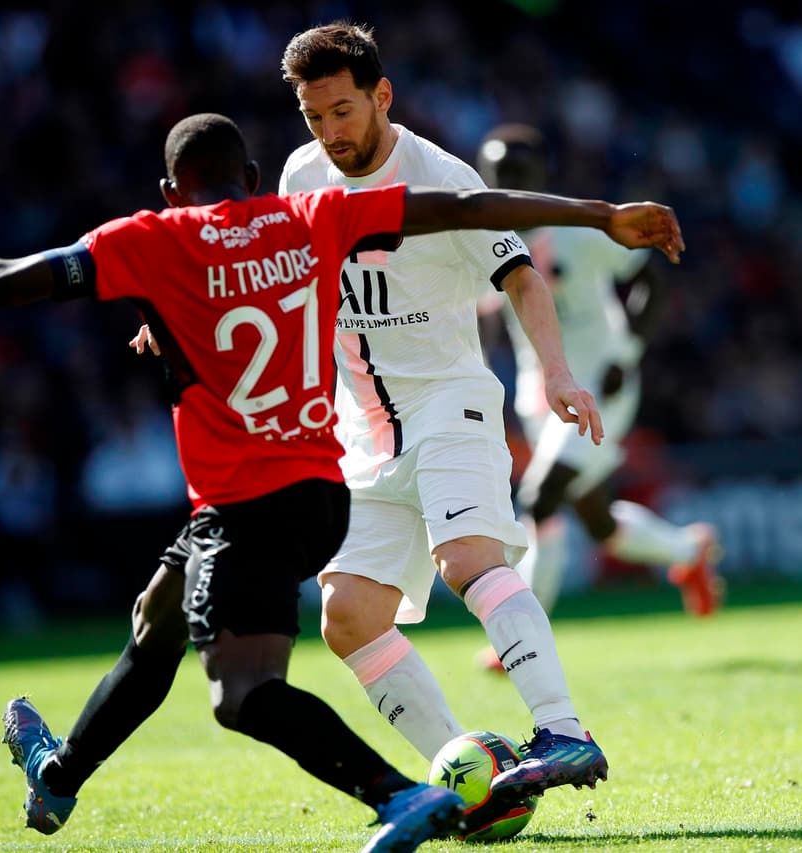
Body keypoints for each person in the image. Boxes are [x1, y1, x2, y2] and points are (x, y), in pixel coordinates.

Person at [0, 113, 684, 850]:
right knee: (166, 621)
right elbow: (468, 211)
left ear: (171, 189)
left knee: (244, 694)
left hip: (246, 499)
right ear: (251, 176)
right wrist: (600, 213)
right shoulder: (305, 218)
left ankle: (410, 790)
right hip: (323, 482)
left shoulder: (152, 242)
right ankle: (59, 774)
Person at [274, 21, 677, 798]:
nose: (329, 132)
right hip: (359, 428)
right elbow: (279, 273)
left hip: (447, 403)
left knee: (466, 559)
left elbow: (521, 272)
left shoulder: (437, 174)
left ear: (381, 95)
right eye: (314, 117)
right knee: (347, 615)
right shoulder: (300, 176)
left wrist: (557, 372)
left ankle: (565, 731)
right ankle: (466, 777)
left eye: (342, 112)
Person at [472, 124, 723, 658]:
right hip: (540, 396)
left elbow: (651, 281)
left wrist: (625, 354)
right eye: (498, 174)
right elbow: (489, 312)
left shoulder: (579, 232)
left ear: (543, 176)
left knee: (541, 498)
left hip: (600, 385)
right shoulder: (482, 238)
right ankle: (688, 548)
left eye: (517, 173)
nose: (507, 183)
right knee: (597, 520)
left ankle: (521, 643)